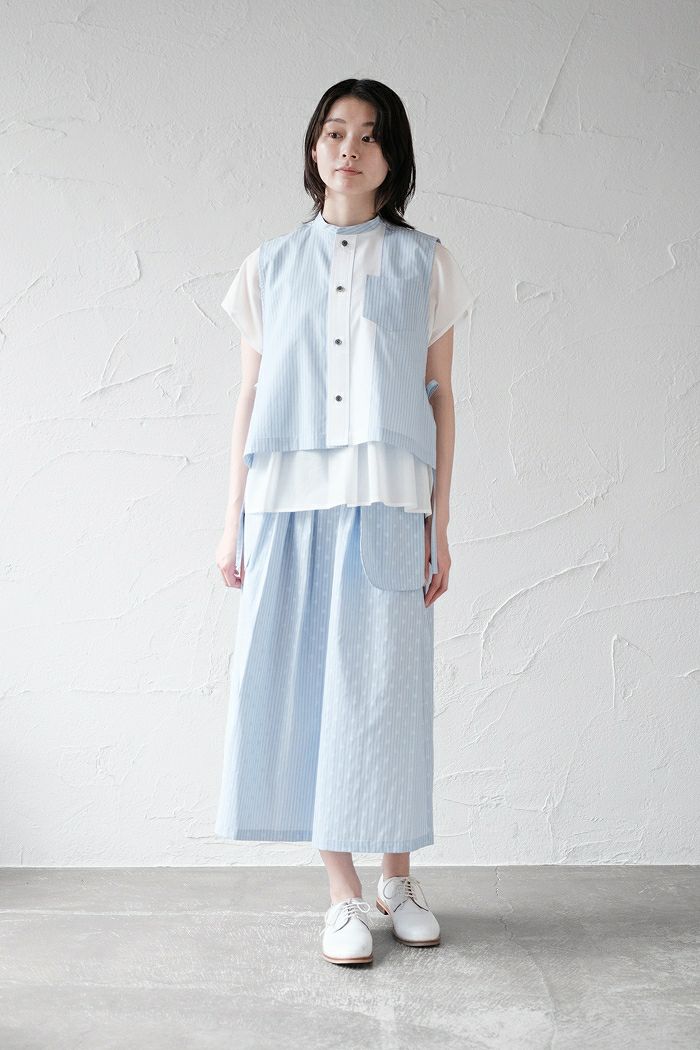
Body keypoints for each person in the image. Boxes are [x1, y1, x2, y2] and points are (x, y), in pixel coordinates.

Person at [214, 79, 475, 966]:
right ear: (313, 148)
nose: (349, 149)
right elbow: (249, 396)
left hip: (389, 499)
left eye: (368, 135)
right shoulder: (267, 266)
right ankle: (342, 894)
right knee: (307, 691)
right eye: (334, 133)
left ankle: (398, 881)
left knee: (388, 694)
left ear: (392, 156)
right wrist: (231, 521)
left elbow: (441, 397)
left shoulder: (426, 263)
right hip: (286, 504)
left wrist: (441, 523)